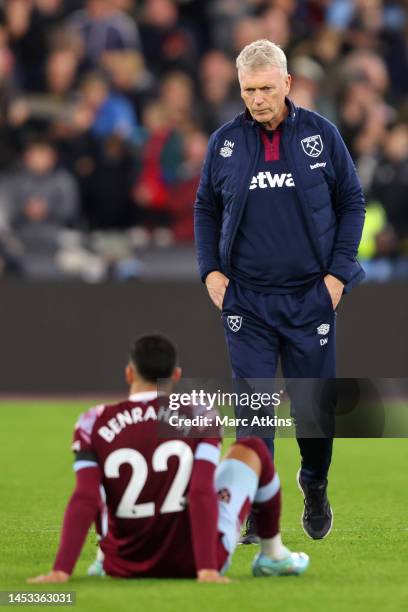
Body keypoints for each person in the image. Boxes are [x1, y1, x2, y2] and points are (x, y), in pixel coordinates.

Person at [194, 40, 365, 542]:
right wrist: (210, 272)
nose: (258, 99)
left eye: (267, 88)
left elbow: (352, 202)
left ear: (287, 84)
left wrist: (337, 276)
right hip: (246, 301)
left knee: (313, 412)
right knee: (253, 411)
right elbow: (206, 207)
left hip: (310, 298)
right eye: (249, 90)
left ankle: (314, 483)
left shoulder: (321, 135)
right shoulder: (224, 142)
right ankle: (255, 511)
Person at [27, 334, 309, 584]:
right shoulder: (199, 414)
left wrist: (61, 572)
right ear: (175, 375)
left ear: (128, 373)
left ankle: (102, 558)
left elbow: (85, 498)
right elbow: (199, 491)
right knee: (252, 448)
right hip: (194, 562)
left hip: (123, 565)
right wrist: (207, 571)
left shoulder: (93, 421)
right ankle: (273, 555)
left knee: (97, 479)